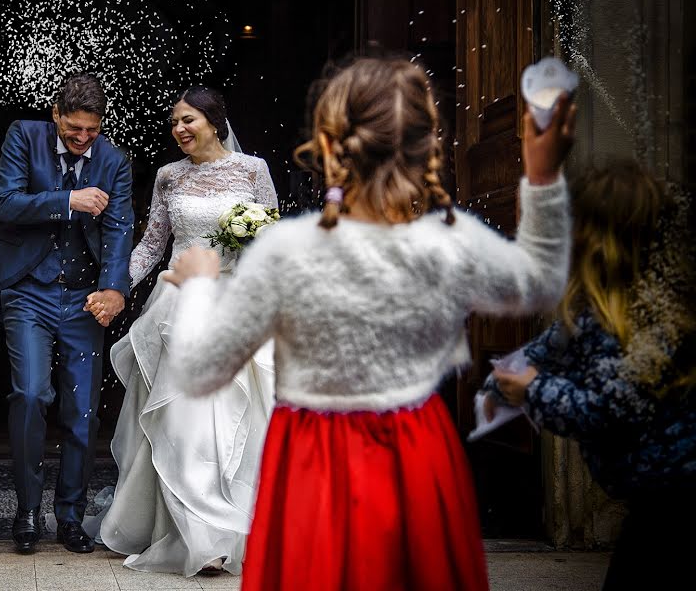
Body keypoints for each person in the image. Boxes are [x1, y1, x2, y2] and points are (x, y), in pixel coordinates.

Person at [162, 56, 576, 591]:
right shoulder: (450, 245)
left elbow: (198, 372)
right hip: (418, 452)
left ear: (328, 146)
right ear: (428, 148)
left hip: (313, 461)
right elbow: (541, 281)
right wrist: (542, 178)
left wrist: (198, 286)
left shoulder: (287, 252)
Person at [85, 86, 278, 576]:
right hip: (179, 307)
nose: (180, 130)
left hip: (235, 305)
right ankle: (195, 535)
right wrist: (114, 287)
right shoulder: (169, 176)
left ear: (215, 121)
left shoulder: (253, 170)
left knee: (235, 420)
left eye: (188, 120)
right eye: (174, 122)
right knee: (183, 420)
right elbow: (152, 244)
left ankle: (234, 530)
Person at [480, 159, 695, 590]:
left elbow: (611, 408)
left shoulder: (652, 319)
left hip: (676, 501)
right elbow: (544, 349)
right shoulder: (594, 312)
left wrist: (533, 390)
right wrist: (502, 380)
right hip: (649, 501)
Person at [0, 73, 134, 554]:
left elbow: (120, 228)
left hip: (84, 298)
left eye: (92, 130)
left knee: (81, 412)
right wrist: (68, 200)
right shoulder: (24, 135)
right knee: (30, 393)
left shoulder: (114, 161)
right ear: (56, 114)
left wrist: (114, 289)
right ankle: (26, 511)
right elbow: (6, 204)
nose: (82, 139)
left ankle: (70, 517)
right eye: (73, 129)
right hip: (28, 292)